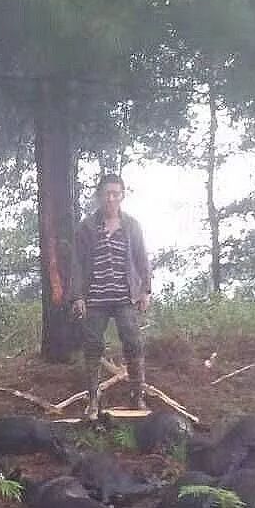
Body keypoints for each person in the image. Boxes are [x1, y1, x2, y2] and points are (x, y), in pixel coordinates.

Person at [67, 173, 152, 419]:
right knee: (93, 347)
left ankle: (137, 396)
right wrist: (77, 297)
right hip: (95, 298)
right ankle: (93, 400)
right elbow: (77, 264)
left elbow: (141, 258)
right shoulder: (86, 227)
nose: (111, 198)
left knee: (133, 343)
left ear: (122, 196)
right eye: (107, 193)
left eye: (116, 193)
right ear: (99, 196)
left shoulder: (132, 226)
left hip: (125, 296)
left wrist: (145, 290)